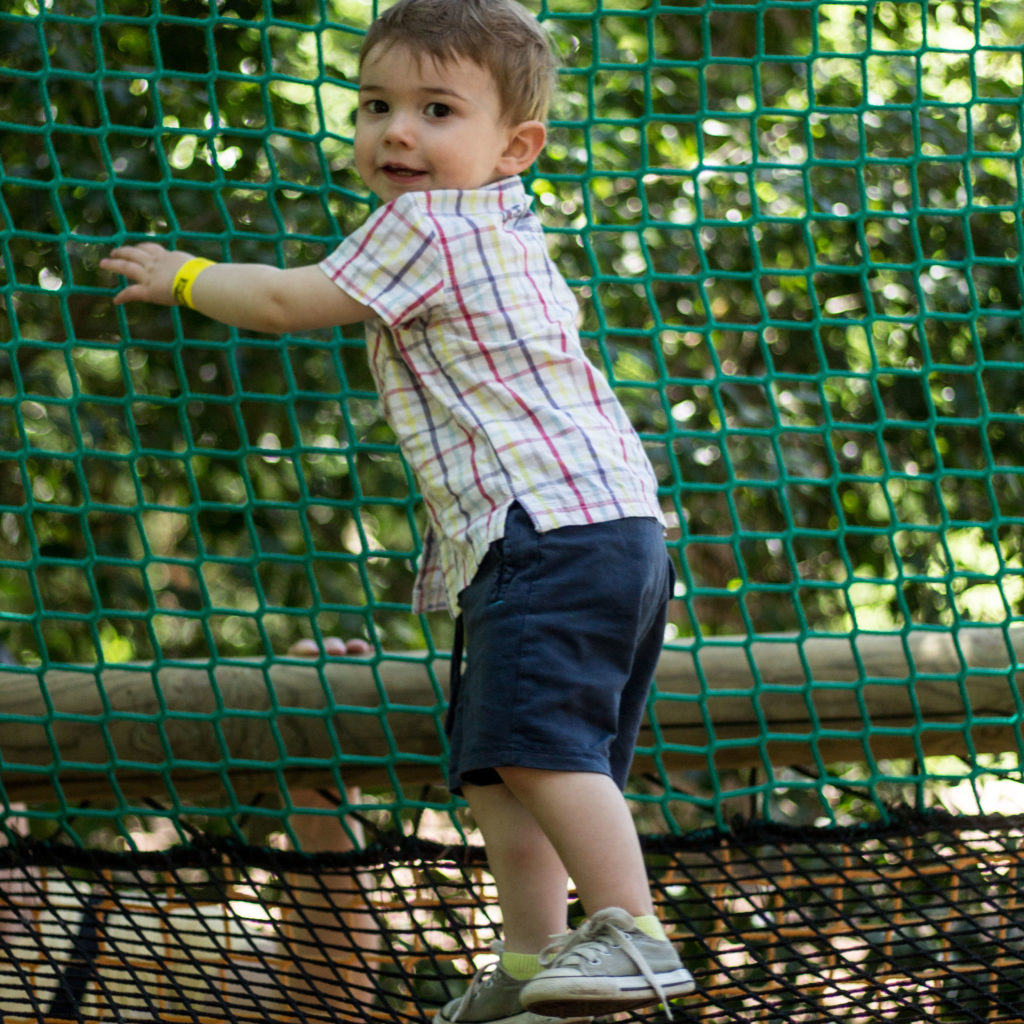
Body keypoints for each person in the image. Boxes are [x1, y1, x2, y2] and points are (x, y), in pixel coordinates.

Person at [99, 1, 696, 1022]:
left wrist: (184, 276)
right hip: (595, 532)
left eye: (435, 109)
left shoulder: (426, 225)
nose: (397, 132)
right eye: (375, 105)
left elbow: (291, 301)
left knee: (542, 747)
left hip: (550, 529)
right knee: (501, 766)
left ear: (515, 146)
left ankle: (633, 934)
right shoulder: (506, 222)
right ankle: (527, 958)